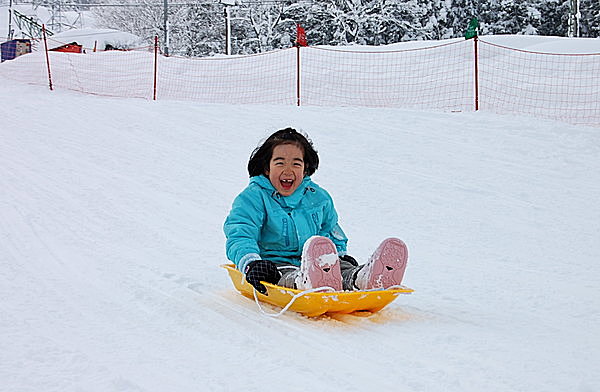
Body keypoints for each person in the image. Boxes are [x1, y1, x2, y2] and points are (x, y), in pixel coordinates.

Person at [223, 127, 408, 294]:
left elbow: (330, 230)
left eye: (296, 163)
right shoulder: (252, 198)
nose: (288, 170)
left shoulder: (318, 197)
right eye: (280, 163)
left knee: (338, 267)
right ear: (266, 167)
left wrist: (340, 254)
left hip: (319, 261)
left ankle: (363, 278)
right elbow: (241, 234)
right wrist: (252, 262)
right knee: (281, 275)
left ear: (305, 169)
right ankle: (303, 282)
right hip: (273, 262)